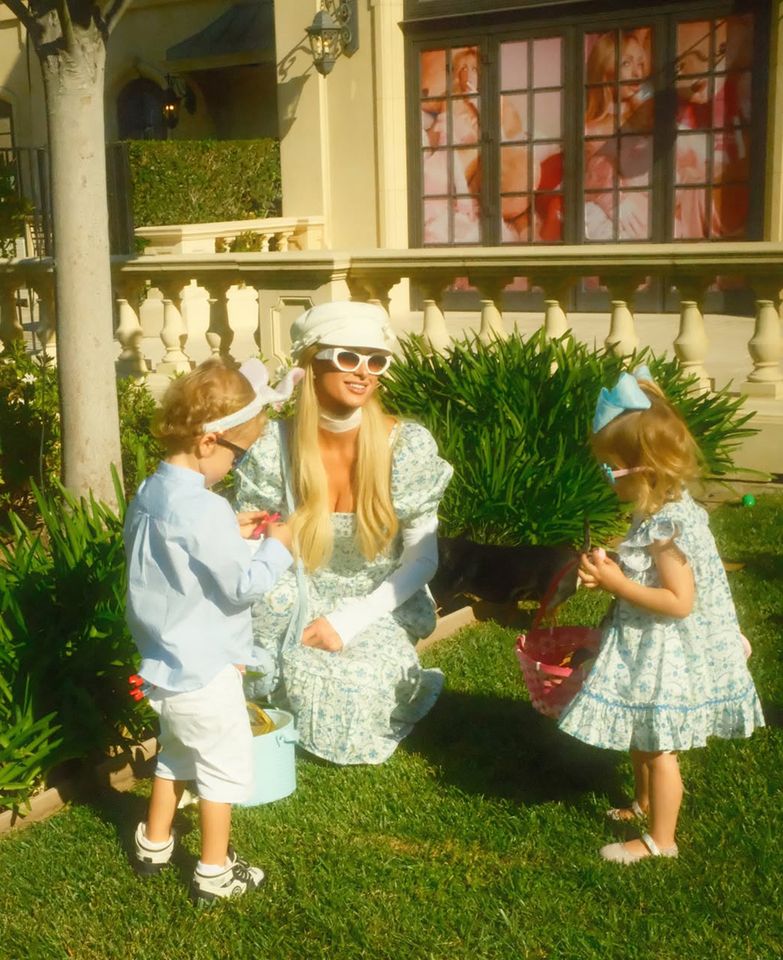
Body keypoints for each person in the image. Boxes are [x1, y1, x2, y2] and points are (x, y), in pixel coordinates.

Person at [558, 368, 764, 863]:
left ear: (644, 469)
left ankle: (661, 840)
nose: (605, 478)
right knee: (640, 733)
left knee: (658, 746)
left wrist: (615, 584)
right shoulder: (656, 511)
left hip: (669, 648)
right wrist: (612, 568)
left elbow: (679, 601)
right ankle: (643, 802)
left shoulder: (668, 526)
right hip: (649, 638)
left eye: (610, 469)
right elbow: (646, 570)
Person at [234, 301, 453, 765]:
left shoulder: (406, 446)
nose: (364, 372)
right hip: (294, 596)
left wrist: (348, 621)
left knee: (354, 687)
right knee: (269, 635)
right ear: (312, 362)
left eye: (376, 361)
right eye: (348, 357)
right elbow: (252, 541)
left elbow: (422, 560)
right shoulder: (277, 445)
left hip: (376, 605)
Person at [124, 356, 301, 904]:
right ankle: (214, 872)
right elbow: (243, 586)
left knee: (176, 753)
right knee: (222, 771)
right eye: (237, 453)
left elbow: (180, 555)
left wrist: (234, 527)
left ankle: (153, 843)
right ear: (208, 442)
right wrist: (278, 546)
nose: (238, 465)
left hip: (163, 668)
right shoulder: (203, 509)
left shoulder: (153, 491)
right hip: (205, 673)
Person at [583, 30, 654, 240]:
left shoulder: (649, 120)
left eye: (640, 64)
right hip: (616, 224)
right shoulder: (589, 129)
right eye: (626, 64)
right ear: (605, 69)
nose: (637, 73)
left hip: (655, 217)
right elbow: (585, 183)